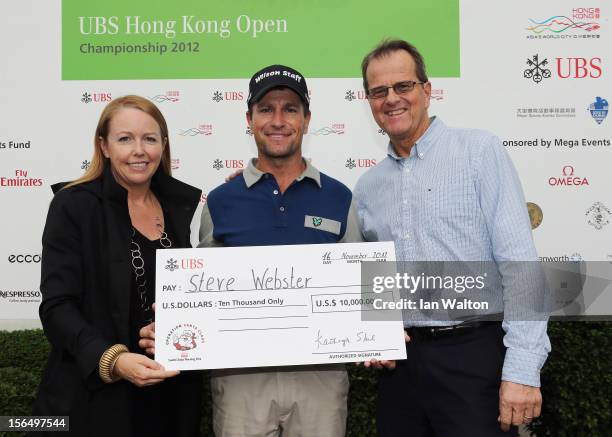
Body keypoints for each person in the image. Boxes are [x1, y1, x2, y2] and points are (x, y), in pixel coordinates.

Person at [141, 65, 363, 437]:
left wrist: (379, 329)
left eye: (290, 108)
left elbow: (361, 284)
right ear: (249, 119)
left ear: (307, 120)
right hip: (241, 379)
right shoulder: (221, 201)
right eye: (266, 109)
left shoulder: (340, 197)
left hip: (320, 379)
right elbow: (201, 291)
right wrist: (176, 316)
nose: (278, 120)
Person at [354, 40, 550, 436]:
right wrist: (376, 333)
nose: (391, 99)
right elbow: (375, 284)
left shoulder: (479, 152)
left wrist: (523, 370)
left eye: (403, 86)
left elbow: (520, 266)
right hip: (402, 371)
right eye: (379, 91)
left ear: (427, 90)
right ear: (369, 102)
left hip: (473, 358)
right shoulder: (368, 187)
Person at [31, 95, 203, 437]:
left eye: (149, 139)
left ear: (164, 146)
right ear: (104, 146)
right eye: (125, 139)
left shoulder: (176, 207)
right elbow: (57, 307)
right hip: (92, 400)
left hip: (168, 396)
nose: (139, 150)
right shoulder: (74, 205)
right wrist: (113, 360)